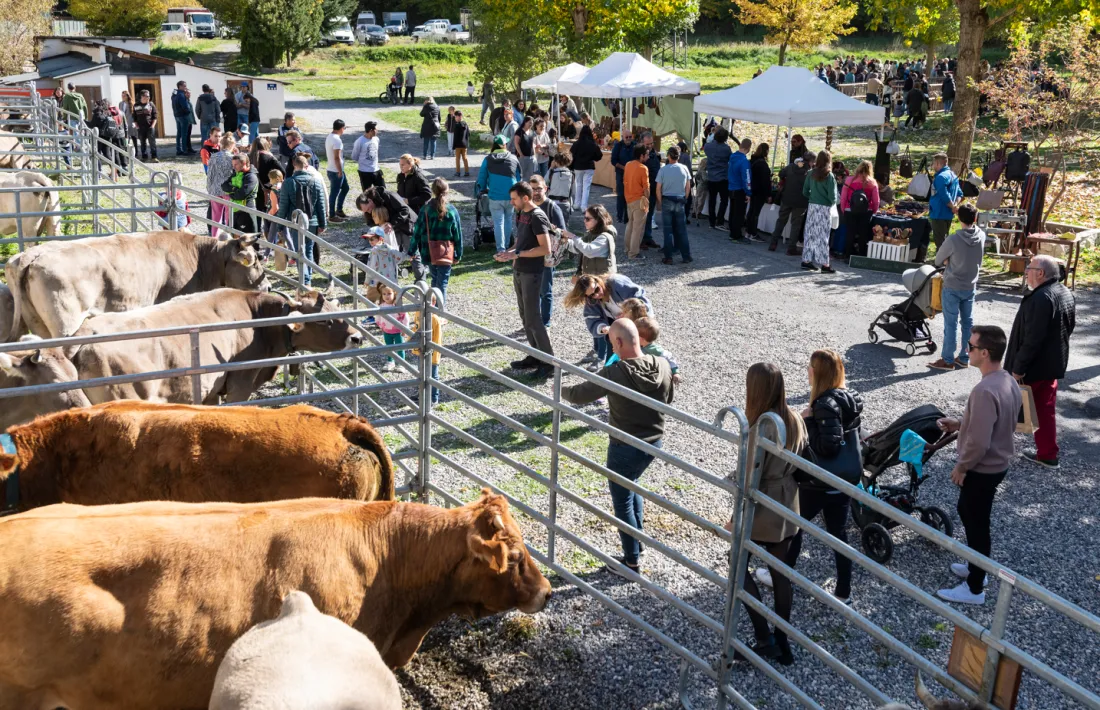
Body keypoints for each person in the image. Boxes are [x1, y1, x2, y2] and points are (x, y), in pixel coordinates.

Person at [561, 318, 674, 575]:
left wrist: (560, 388)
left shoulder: (616, 372)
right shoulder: (663, 365)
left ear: (620, 342)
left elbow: (580, 395)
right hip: (654, 442)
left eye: (612, 343)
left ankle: (631, 561)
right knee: (633, 485)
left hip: (624, 446)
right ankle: (637, 541)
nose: (612, 348)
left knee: (622, 500)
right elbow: (668, 399)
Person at [760, 349, 861, 605]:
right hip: (845, 479)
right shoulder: (851, 397)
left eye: (809, 367)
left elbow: (828, 446)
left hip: (820, 482)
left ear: (815, 373)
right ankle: (844, 591)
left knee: (792, 525)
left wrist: (806, 421)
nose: (807, 370)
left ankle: (781, 574)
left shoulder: (824, 404)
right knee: (838, 533)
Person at [935, 326, 1021, 605]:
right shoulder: (1007, 380)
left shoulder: (984, 390)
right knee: (974, 516)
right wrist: (961, 424)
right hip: (997, 466)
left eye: (971, 347)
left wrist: (962, 466)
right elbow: (993, 425)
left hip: (983, 468)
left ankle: (974, 588)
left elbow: (981, 442)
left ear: (984, 353)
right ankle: (976, 567)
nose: (967, 350)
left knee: (976, 521)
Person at [727, 362, 804, 665]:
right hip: (788, 500)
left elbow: (749, 478)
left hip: (764, 502)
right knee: (780, 573)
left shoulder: (761, 425)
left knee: (737, 564)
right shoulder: (795, 417)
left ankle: (763, 637)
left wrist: (735, 517)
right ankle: (782, 642)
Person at [1004, 254, 1076, 469]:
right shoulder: (1065, 292)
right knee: (1044, 410)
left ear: (1041, 273)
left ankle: (990, 452)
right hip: (1052, 364)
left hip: (1031, 368)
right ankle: (1048, 455)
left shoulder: (1041, 298)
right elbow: (1069, 328)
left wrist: (1018, 369)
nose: (1026, 271)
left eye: (1030, 267)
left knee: (1005, 407)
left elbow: (1031, 339)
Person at [494, 182, 554, 376]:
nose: (511, 202)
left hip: (532, 272)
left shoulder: (537, 216)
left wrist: (517, 254)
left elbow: (545, 249)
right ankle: (535, 354)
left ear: (525, 198)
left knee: (534, 318)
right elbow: (520, 241)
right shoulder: (521, 213)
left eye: (514, 199)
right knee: (525, 317)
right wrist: (508, 253)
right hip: (519, 270)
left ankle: (548, 362)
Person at [929, 204, 985, 371]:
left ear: (958, 218)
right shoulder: (981, 235)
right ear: (975, 218)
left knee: (951, 323)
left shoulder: (953, 239)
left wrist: (948, 261)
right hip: (970, 284)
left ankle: (947, 359)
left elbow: (938, 260)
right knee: (968, 322)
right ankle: (964, 356)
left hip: (953, 285)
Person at [564, 273, 653, 369]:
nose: (597, 295)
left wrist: (628, 314)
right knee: (613, 347)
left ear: (598, 280)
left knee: (643, 352)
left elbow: (640, 301)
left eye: (597, 289)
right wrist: (603, 327)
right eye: (592, 295)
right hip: (619, 326)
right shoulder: (591, 300)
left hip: (639, 321)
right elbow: (593, 319)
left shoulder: (617, 283)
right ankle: (611, 373)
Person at [408, 177, 462, 305]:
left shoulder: (425, 210)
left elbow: (417, 232)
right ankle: (439, 311)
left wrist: (412, 250)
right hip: (446, 251)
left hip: (428, 250)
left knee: (435, 279)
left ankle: (434, 309)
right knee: (442, 282)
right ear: (447, 191)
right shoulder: (452, 211)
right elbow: (458, 234)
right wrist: (458, 254)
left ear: (433, 191)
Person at [277, 153, 328, 283]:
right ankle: (308, 278)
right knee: (309, 249)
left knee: (299, 251)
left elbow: (283, 206)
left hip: (296, 222)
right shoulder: (316, 181)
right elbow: (321, 205)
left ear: (294, 165)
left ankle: (304, 280)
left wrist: (280, 225)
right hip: (312, 221)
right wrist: (323, 224)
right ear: (307, 165)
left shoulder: (288, 183)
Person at [529, 175, 566, 328]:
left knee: (545, 291)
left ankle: (545, 323)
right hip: (531, 254)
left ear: (545, 189)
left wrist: (550, 227)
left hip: (547, 256)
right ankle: (534, 321)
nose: (536, 192)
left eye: (539, 188)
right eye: (533, 189)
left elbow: (563, 233)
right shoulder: (528, 206)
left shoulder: (552, 207)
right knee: (532, 291)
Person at [475, 136, 521, 253]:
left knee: (498, 222)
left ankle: (500, 249)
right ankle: (506, 246)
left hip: (495, 196)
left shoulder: (488, 159)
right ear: (504, 145)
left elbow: (481, 178)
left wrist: (482, 190)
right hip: (511, 196)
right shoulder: (513, 158)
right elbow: (519, 177)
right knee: (508, 219)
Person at [800, 150, 837, 273]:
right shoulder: (829, 176)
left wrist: (813, 196)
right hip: (824, 207)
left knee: (810, 233)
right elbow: (833, 197)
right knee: (823, 236)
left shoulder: (810, 173)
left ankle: (806, 260)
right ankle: (825, 264)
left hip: (812, 206)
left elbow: (805, 191)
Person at [656, 145, 692, 265]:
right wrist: (684, 199)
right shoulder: (684, 169)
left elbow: (658, 189)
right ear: (679, 156)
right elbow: (688, 188)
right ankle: (686, 256)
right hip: (680, 200)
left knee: (668, 230)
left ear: (668, 156)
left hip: (667, 200)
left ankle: (668, 257)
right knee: (682, 230)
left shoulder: (663, 170)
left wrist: (660, 202)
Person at [770, 152, 812, 255]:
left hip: (787, 198)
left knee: (781, 221)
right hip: (801, 201)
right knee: (796, 225)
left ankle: (773, 243)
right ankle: (791, 248)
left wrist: (786, 180)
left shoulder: (791, 166)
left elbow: (781, 174)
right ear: (811, 162)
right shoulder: (810, 172)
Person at [839, 160, 880, 260]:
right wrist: (874, 211)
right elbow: (876, 200)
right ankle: (861, 256)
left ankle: (847, 255)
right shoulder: (872, 182)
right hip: (866, 211)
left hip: (850, 210)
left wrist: (844, 209)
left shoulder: (849, 180)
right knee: (863, 234)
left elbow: (843, 197)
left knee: (850, 233)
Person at [564, 204, 616, 281]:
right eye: (584, 218)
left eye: (588, 219)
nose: (584, 221)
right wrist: (564, 241)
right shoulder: (591, 234)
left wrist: (573, 237)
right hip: (592, 281)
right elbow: (577, 247)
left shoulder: (604, 237)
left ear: (599, 220)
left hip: (603, 283)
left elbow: (589, 251)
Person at [206, 134, 237, 238]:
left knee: (216, 218)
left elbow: (209, 175)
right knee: (229, 218)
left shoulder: (213, 157)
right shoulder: (233, 158)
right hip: (228, 190)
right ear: (232, 145)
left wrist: (209, 189)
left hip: (215, 190)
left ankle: (215, 238)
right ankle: (229, 238)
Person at [929, 153, 962, 251]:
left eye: (934, 163)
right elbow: (960, 194)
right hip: (948, 213)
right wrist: (955, 205)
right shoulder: (953, 175)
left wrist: (953, 206)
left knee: (940, 241)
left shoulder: (941, 177)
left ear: (938, 163)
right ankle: (945, 261)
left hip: (939, 213)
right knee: (944, 239)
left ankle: (941, 263)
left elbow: (944, 195)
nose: (933, 166)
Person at [623, 144, 650, 260]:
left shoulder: (628, 165)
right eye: (647, 154)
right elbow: (646, 187)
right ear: (641, 155)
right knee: (637, 228)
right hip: (639, 199)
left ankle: (627, 249)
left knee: (630, 225)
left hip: (629, 198)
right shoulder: (643, 168)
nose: (648, 156)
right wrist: (647, 199)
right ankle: (633, 253)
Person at [222, 153, 259, 233]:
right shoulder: (236, 173)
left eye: (236, 164)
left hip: (246, 211)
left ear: (244, 163)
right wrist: (235, 189)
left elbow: (241, 195)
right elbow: (224, 186)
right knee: (231, 239)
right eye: (233, 164)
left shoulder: (251, 177)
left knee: (247, 240)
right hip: (234, 210)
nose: (233, 167)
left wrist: (230, 194)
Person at [704, 127, 733, 230]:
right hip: (722, 177)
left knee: (712, 200)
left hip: (711, 176)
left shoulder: (708, 146)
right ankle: (719, 221)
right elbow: (730, 158)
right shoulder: (726, 149)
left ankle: (711, 222)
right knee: (724, 200)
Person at [570, 125, 602, 215]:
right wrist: (593, 158)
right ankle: (584, 206)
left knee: (579, 185)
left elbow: (572, 154)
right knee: (586, 187)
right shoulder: (593, 144)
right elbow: (599, 155)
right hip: (589, 166)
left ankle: (576, 204)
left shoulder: (576, 143)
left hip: (578, 167)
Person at [249, 137, 281, 226]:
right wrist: (270, 185)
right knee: (269, 217)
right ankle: (269, 237)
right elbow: (282, 173)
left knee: (255, 218)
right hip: (267, 191)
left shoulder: (248, 158)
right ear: (266, 145)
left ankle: (257, 235)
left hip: (251, 191)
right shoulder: (270, 158)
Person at [376, 285, 408, 372]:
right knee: (389, 347)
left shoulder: (398, 306)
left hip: (398, 331)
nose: (386, 296)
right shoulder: (381, 306)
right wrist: (380, 326)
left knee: (400, 347)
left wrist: (405, 329)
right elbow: (378, 316)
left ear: (395, 293)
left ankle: (401, 364)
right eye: (384, 294)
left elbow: (405, 317)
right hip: (387, 331)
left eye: (389, 293)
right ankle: (390, 361)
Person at [324, 119, 350, 222]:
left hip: (333, 169)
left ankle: (339, 210)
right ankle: (331, 215)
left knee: (345, 188)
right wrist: (340, 171)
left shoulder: (330, 136)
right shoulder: (337, 140)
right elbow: (336, 157)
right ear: (341, 128)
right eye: (344, 128)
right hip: (336, 171)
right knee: (334, 193)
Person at [728, 138, 752, 244]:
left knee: (733, 211)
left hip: (731, 187)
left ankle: (732, 232)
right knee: (739, 213)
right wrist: (748, 192)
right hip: (739, 189)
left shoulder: (732, 157)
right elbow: (746, 178)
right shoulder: (744, 161)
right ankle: (736, 235)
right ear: (748, 148)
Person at [746, 143, 771, 242]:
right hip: (759, 191)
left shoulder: (753, 160)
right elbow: (765, 181)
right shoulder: (762, 164)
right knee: (755, 213)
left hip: (752, 189)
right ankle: (753, 233)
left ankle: (748, 231)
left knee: (751, 211)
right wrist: (768, 194)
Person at [396, 153, 432, 222]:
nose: (401, 167)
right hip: (405, 210)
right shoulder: (401, 176)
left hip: (417, 213)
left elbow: (427, 195)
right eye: (400, 165)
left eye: (403, 165)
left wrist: (409, 201)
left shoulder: (418, 177)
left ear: (410, 165)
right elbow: (400, 191)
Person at [610, 132, 636, 224]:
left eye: (630, 137)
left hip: (633, 174)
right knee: (621, 195)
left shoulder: (635, 145)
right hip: (621, 173)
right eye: (626, 137)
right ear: (623, 137)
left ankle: (628, 216)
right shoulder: (618, 146)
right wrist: (624, 168)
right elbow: (613, 160)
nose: (628, 138)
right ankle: (620, 216)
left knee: (631, 194)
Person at [351, 121, 384, 192]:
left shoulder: (376, 139)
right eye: (375, 129)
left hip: (376, 170)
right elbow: (354, 156)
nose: (377, 131)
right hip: (365, 172)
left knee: (382, 191)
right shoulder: (359, 141)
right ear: (371, 131)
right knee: (367, 194)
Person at [132, 89, 159, 163]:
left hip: (150, 127)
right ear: (142, 96)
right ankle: (144, 157)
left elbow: (155, 116)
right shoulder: (136, 105)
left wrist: (152, 126)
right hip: (140, 127)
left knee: (152, 143)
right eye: (147, 96)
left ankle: (154, 157)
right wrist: (137, 126)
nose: (148, 97)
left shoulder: (151, 104)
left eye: (149, 96)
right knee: (142, 142)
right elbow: (134, 117)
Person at [171, 81, 193, 156]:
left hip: (177, 115)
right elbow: (185, 106)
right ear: (179, 86)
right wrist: (188, 111)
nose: (185, 87)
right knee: (184, 134)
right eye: (184, 86)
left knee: (179, 133)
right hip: (183, 116)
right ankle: (184, 150)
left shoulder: (174, 94)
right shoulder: (181, 95)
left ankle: (178, 149)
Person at [514, 116, 537, 181]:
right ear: (525, 122)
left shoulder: (532, 132)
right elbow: (516, 143)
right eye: (529, 123)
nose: (531, 124)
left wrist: (534, 153)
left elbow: (532, 143)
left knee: (530, 175)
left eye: (532, 123)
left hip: (531, 156)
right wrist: (521, 154)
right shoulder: (519, 132)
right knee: (522, 174)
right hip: (522, 157)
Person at [118, 90, 138, 156]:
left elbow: (135, 114)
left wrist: (135, 123)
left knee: (134, 138)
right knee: (126, 138)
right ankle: (127, 153)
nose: (123, 97)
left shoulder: (132, 103)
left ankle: (136, 152)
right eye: (122, 96)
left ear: (127, 96)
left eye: (124, 96)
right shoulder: (120, 103)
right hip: (123, 124)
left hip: (131, 123)